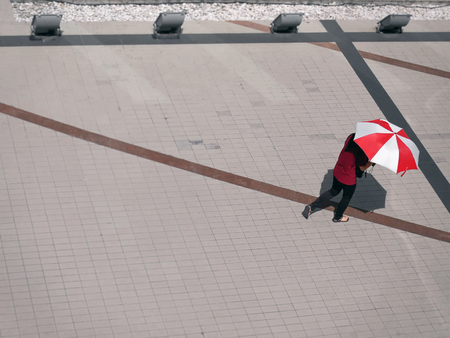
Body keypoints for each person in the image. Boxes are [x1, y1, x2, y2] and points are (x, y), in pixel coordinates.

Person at [302, 133, 373, 222]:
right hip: (349, 178)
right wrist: (371, 162)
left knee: (333, 191)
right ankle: (338, 216)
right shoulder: (362, 150)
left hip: (338, 170)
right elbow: (362, 167)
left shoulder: (351, 137)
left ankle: (311, 207)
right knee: (346, 198)